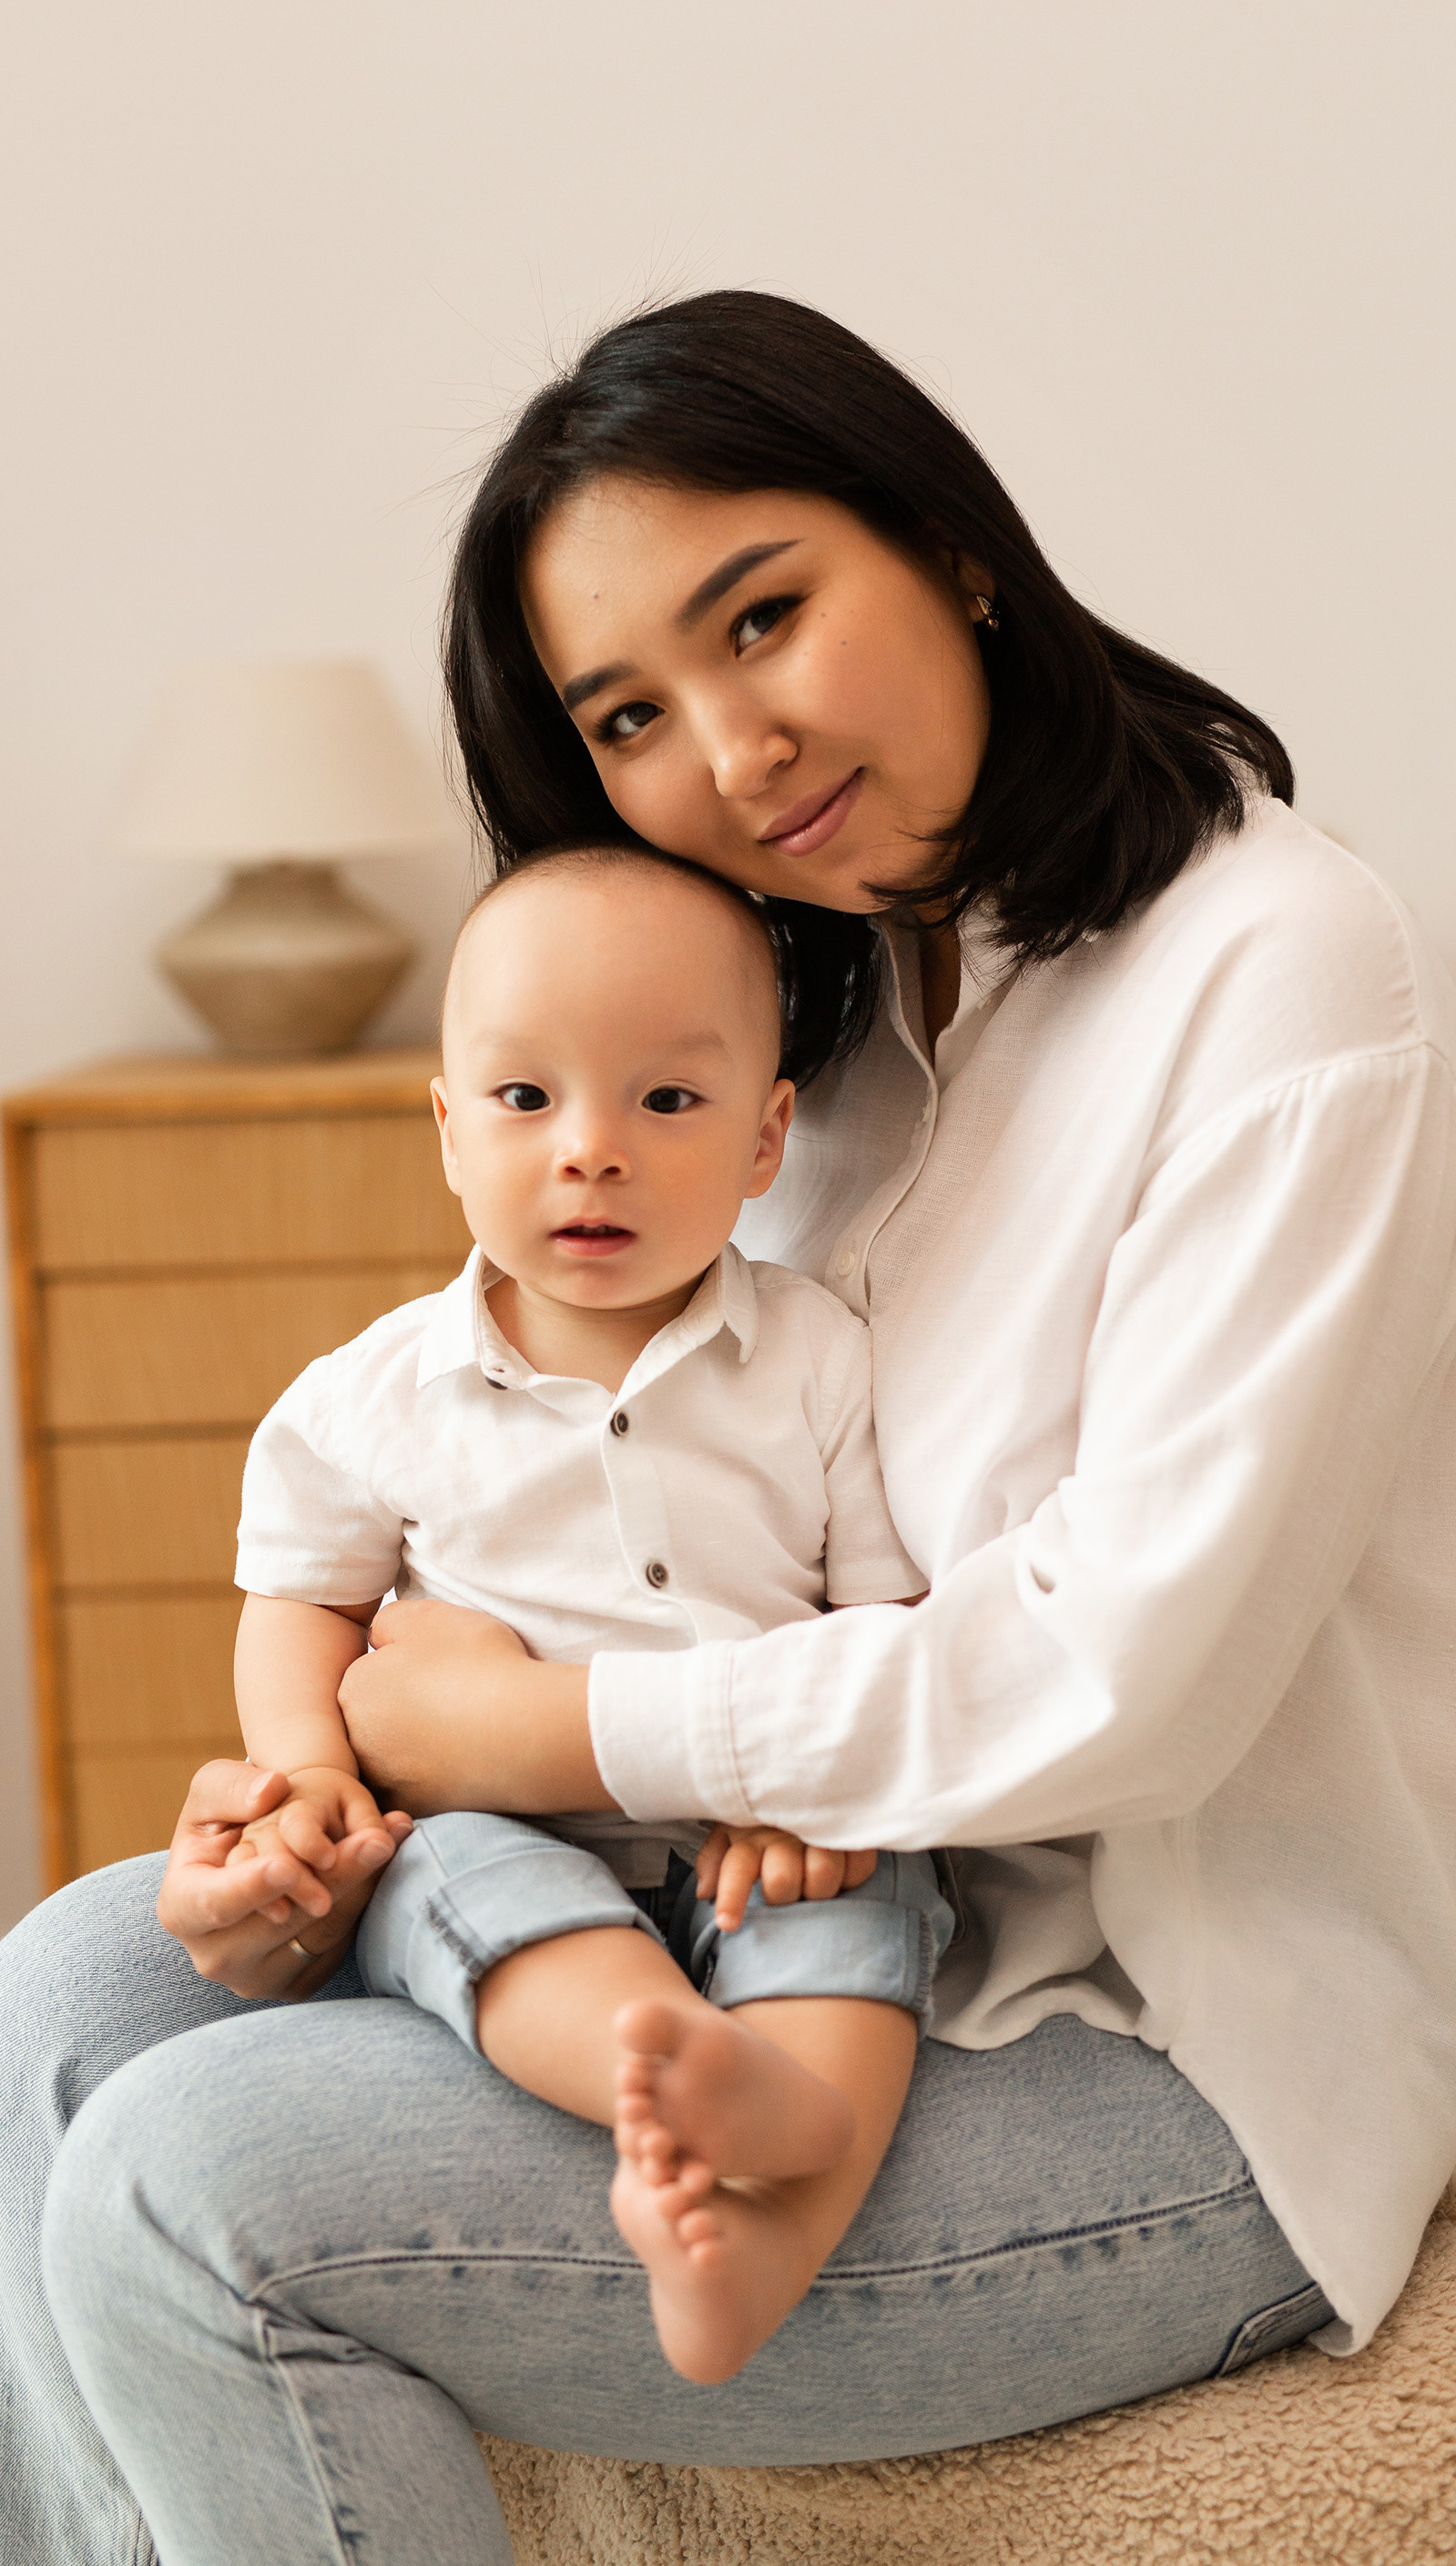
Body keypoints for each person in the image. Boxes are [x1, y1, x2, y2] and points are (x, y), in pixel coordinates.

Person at [0, 290, 1456, 2566]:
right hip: (736, 1915)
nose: (731, 750)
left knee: (200, 2191)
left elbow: (1123, 1681)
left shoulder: (1290, 980)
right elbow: (636, 1503)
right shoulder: (838, 1016)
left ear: (951, 544)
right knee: (51, 2007)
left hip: (1159, 2056)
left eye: (761, 615)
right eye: (628, 716)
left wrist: (527, 1736)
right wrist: (325, 1793)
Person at [227, 840, 949, 2386]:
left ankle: (770, 2209)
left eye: (666, 1102)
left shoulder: (822, 1360)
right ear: (446, 1129)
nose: (591, 1151)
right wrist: (309, 1769)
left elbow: (883, 1608)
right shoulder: (376, 1396)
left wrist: (819, 1790)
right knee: (461, 1900)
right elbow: (302, 1596)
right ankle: (671, 2075)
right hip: (504, 1823)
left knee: (857, 1909)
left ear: (768, 1141)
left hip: (762, 1817)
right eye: (525, 1099)